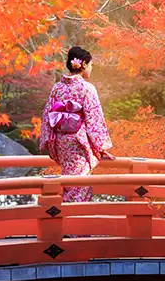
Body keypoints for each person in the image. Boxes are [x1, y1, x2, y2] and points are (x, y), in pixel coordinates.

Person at [39, 46, 114, 202]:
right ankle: (72, 220)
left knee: (70, 183)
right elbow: (94, 119)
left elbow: (47, 115)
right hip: (78, 142)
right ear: (84, 64)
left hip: (61, 142)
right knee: (79, 185)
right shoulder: (87, 88)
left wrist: (47, 141)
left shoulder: (57, 88)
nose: (91, 69)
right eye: (91, 65)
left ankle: (73, 219)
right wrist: (101, 147)